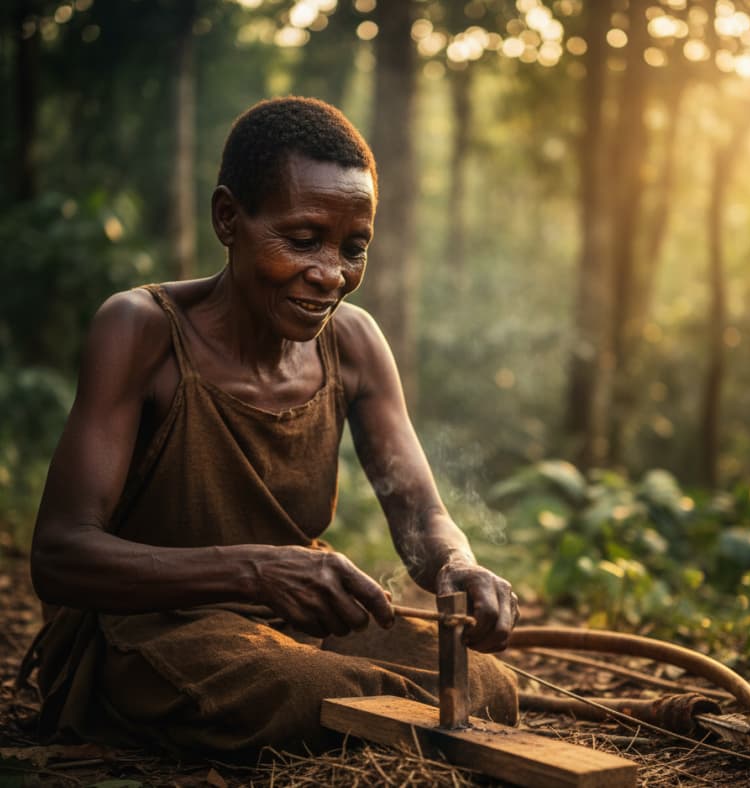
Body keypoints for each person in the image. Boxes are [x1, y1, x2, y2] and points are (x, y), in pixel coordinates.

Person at [24, 96, 519, 757]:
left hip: (288, 629)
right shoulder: (139, 331)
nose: (331, 274)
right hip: (146, 632)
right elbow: (60, 556)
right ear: (229, 218)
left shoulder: (356, 343)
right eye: (303, 239)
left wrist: (458, 566)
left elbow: (420, 515)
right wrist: (255, 572)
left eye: (354, 247)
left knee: (486, 684)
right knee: (314, 695)